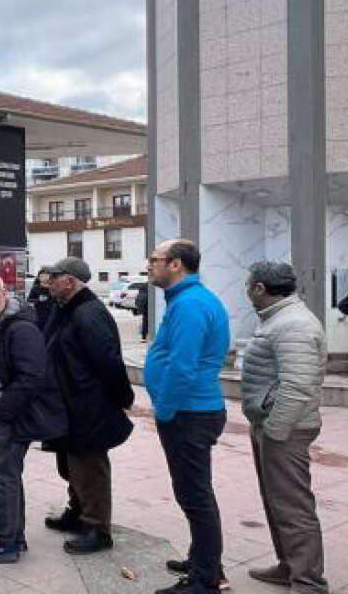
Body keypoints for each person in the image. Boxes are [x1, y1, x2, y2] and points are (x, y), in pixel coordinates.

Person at [144, 239, 231, 594]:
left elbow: (183, 365)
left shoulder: (191, 305)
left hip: (189, 413)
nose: (149, 265)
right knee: (195, 494)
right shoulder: (187, 300)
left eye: (154, 260)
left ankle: (206, 580)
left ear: (176, 264)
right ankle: (203, 560)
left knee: (195, 498)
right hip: (190, 410)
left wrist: (163, 410)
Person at [0, 273, 67, 565]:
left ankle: (4, 542)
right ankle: (10, 533)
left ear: (4, 293)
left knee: (2, 477)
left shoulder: (20, 327)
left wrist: (3, 414)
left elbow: (32, 376)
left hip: (6, 416)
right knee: (6, 475)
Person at [241, 262, 329, 592]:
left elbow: (297, 386)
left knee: (293, 507)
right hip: (273, 425)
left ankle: (308, 582)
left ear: (260, 289)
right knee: (277, 501)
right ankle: (289, 566)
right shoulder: (280, 319)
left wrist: (275, 431)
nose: (247, 292)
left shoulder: (294, 325)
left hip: (285, 430)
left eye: (249, 286)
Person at [42, 257, 135, 555]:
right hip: (68, 404)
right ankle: (78, 512)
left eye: (54, 277)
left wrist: (124, 398)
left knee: (90, 468)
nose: (48, 281)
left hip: (88, 405)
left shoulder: (88, 314)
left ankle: (97, 529)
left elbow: (108, 362)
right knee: (71, 465)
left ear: (69, 281)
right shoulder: (66, 309)